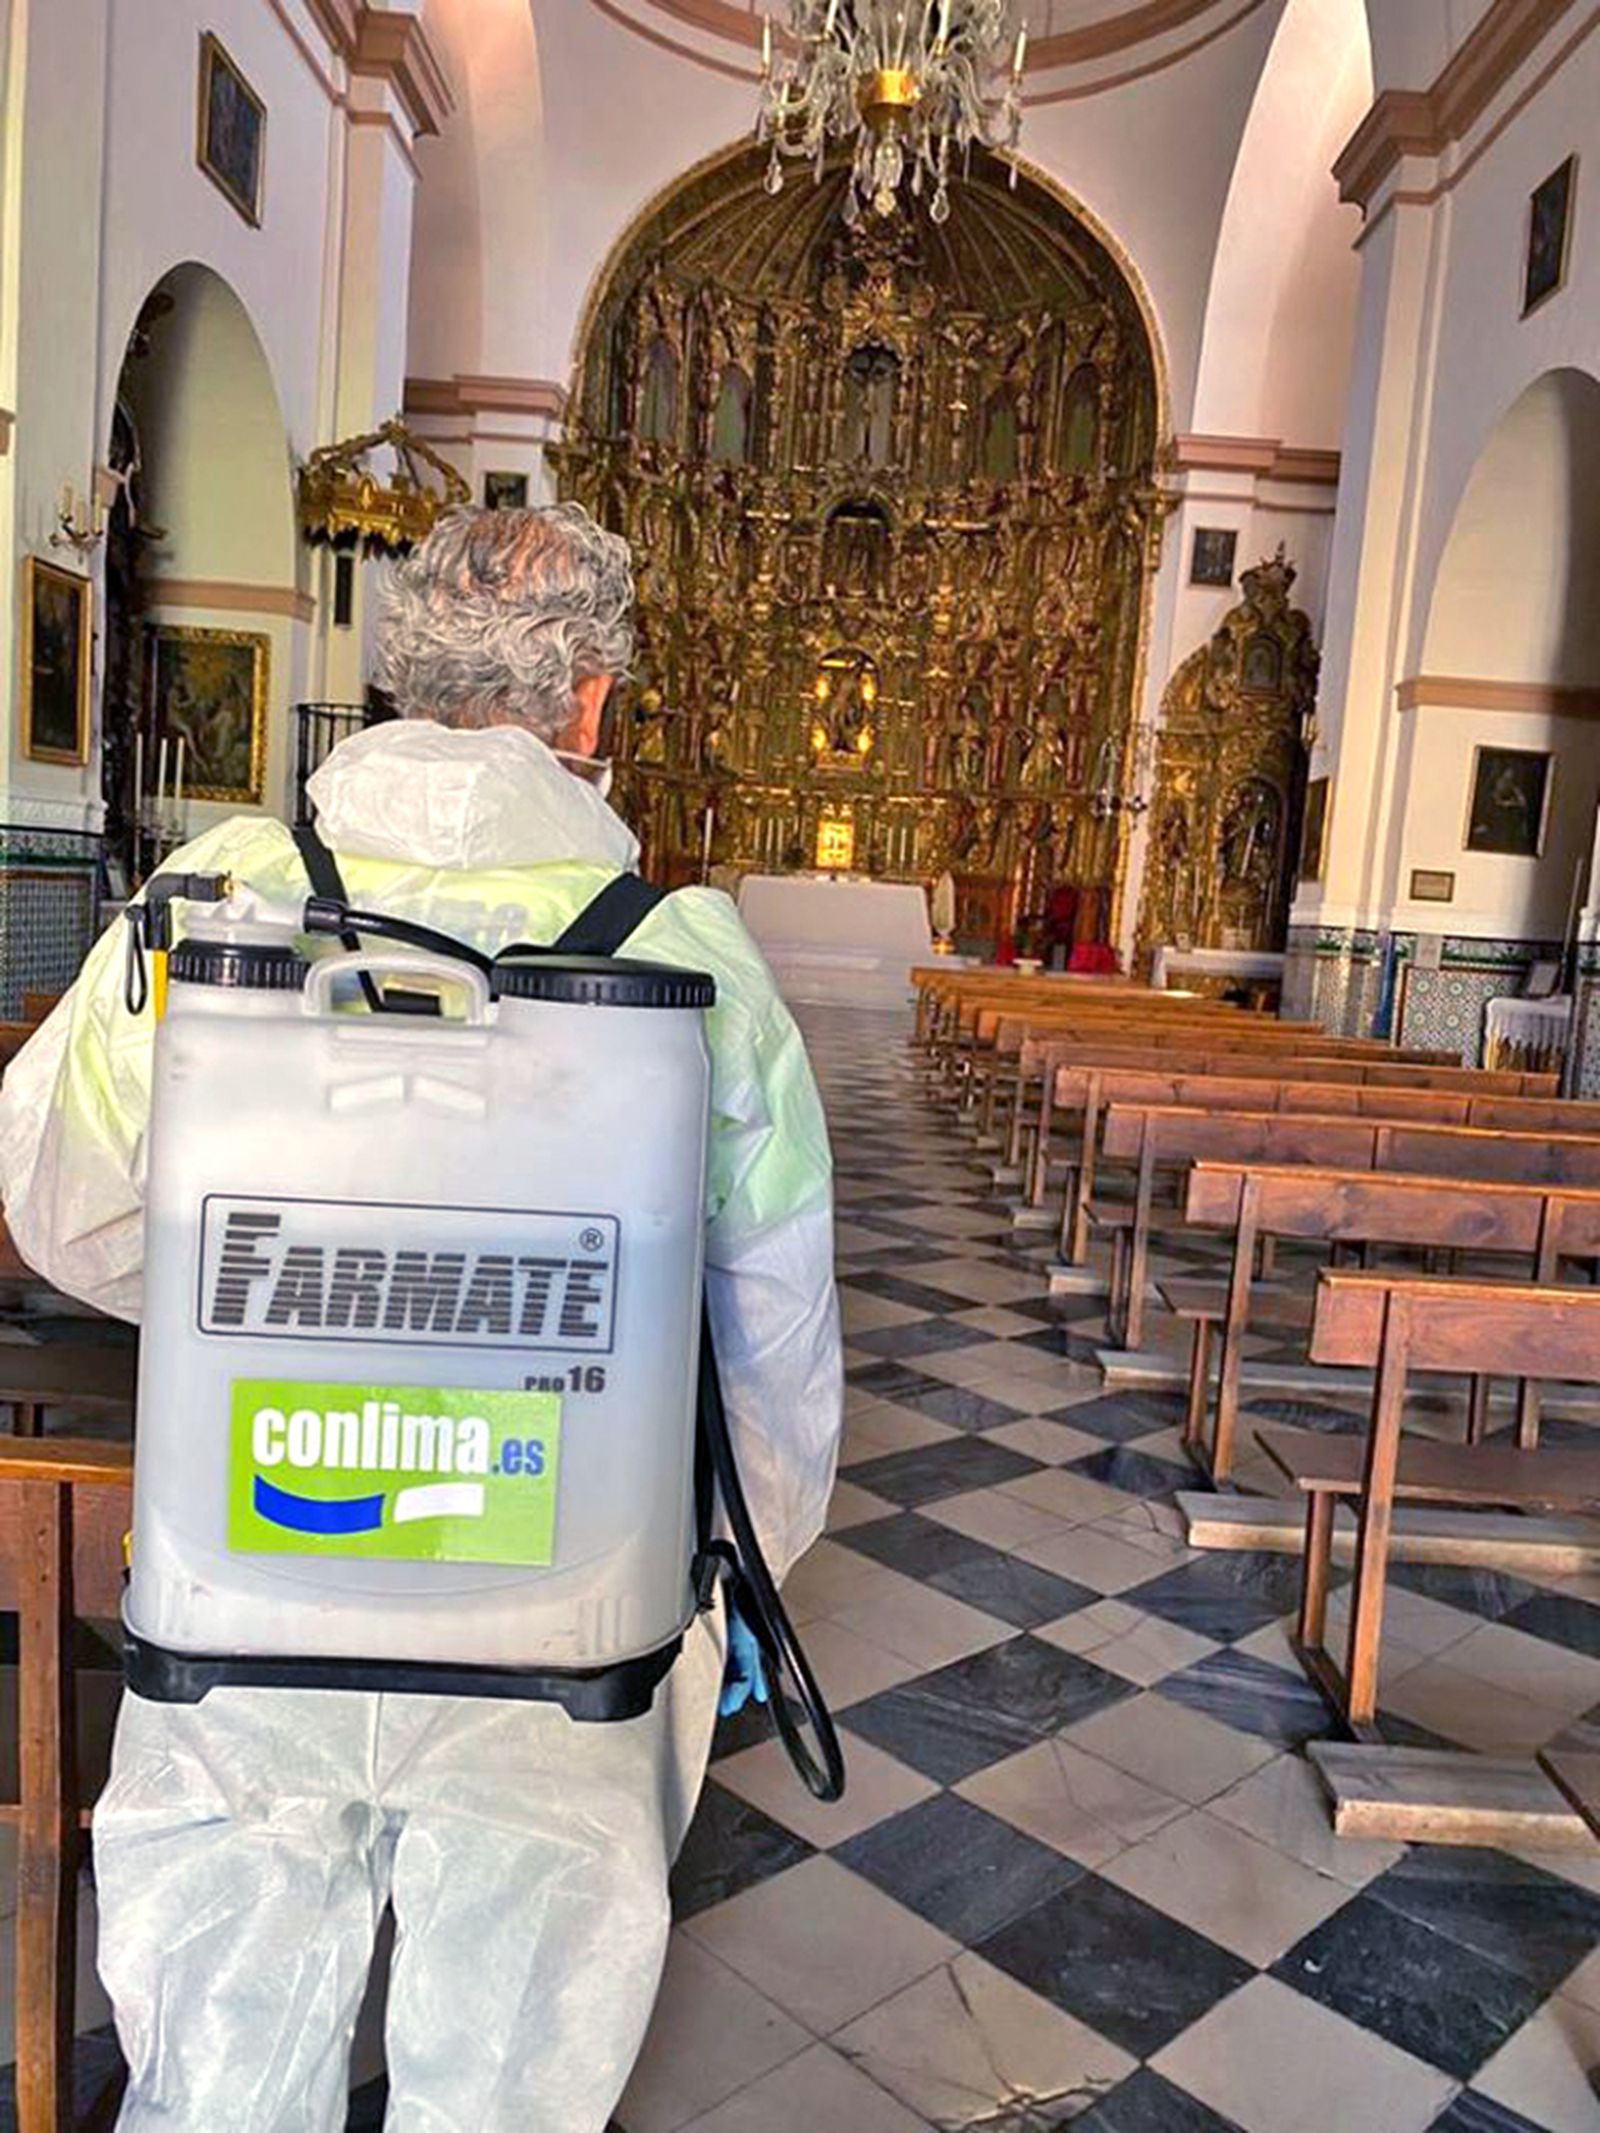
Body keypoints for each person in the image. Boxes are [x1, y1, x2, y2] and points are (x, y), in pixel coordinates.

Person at [0, 504, 843, 2132]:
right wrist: (733, 1580)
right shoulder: (683, 958)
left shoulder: (218, 898)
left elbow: (52, 1189)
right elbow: (771, 1343)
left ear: (396, 670)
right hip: (564, 1626)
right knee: (511, 2091)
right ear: (592, 703)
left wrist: (259, 1330)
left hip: (245, 1594)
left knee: (222, 2082)